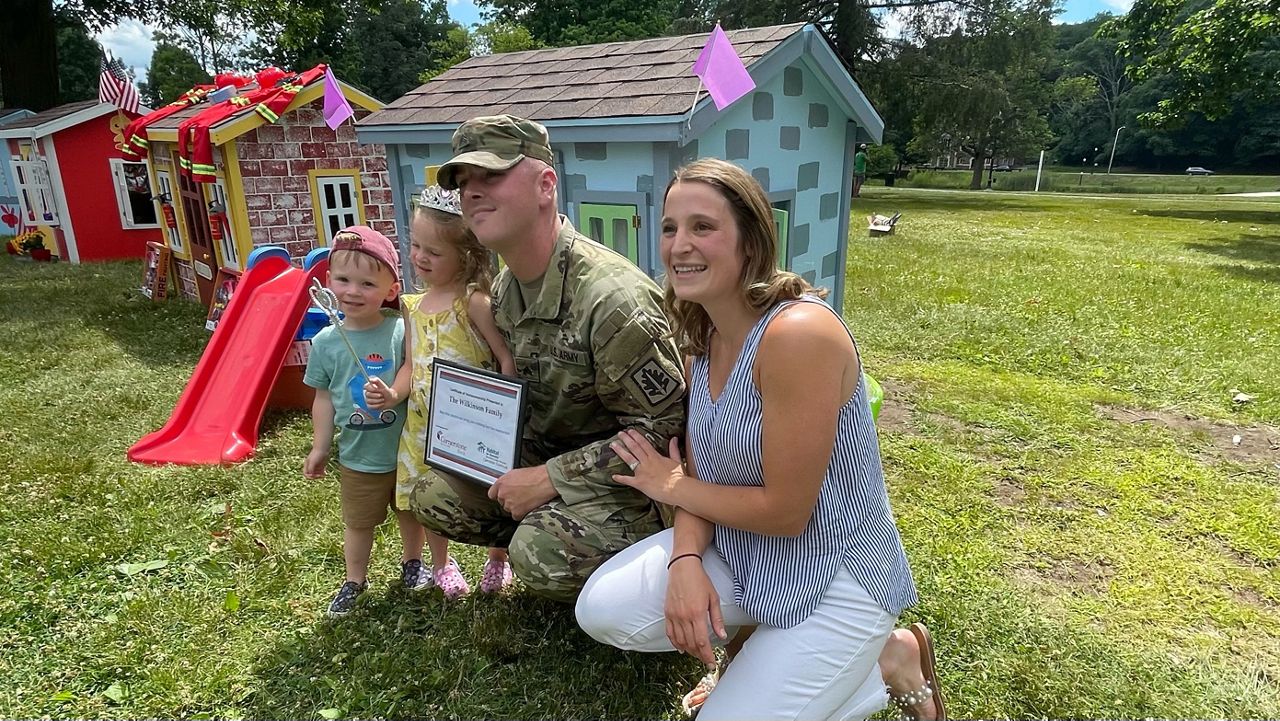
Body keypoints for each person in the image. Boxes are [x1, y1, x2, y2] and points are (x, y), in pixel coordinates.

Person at [575, 158, 945, 720]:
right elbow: (698, 472)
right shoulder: (702, 336)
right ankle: (757, 646)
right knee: (603, 608)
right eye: (670, 227)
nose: (679, 245)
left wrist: (670, 487)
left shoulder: (799, 335)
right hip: (743, 553)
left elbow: (785, 512)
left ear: (751, 241)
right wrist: (685, 562)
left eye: (703, 227)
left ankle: (888, 662)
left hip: (835, 577)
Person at [407, 114, 687, 602]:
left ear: (545, 185)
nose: (471, 192)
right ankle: (556, 530)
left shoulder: (610, 300)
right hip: (559, 454)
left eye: (491, 175)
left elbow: (667, 430)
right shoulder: (505, 290)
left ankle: (644, 568)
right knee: (436, 494)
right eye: (464, 182)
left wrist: (546, 480)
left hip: (640, 484)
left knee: (538, 551)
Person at [364, 185, 517, 599]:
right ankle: (441, 564)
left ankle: (498, 558)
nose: (419, 257)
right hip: (422, 427)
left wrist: (506, 412)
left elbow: (504, 357)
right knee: (424, 493)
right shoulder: (412, 307)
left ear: (465, 256)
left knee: (489, 492)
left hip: (476, 424)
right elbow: (410, 366)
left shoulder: (474, 303)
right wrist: (393, 395)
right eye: (415, 245)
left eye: (433, 251)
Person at [302, 226, 427, 617]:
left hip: (404, 450)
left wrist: (393, 395)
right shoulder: (325, 343)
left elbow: (410, 368)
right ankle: (354, 578)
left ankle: (413, 563)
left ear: (390, 290)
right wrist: (321, 446)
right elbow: (322, 398)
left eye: (367, 283)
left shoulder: (399, 330)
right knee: (358, 523)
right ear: (327, 284)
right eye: (343, 280)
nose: (353, 291)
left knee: (411, 512)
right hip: (358, 457)